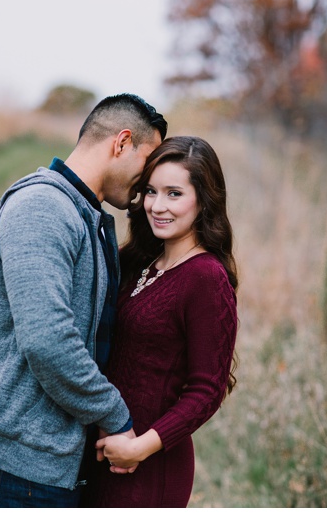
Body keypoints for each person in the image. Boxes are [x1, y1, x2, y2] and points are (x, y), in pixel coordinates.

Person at [0, 93, 168, 507]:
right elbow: (47, 341)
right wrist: (115, 417)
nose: (147, 183)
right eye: (148, 162)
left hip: (49, 465)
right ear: (121, 142)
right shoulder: (42, 208)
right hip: (19, 470)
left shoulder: (82, 215)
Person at [91, 136, 238, 507]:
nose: (157, 206)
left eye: (174, 193)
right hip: (105, 456)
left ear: (204, 200)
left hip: (150, 466)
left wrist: (139, 447)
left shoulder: (206, 278)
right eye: (151, 192)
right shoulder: (139, 261)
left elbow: (207, 389)